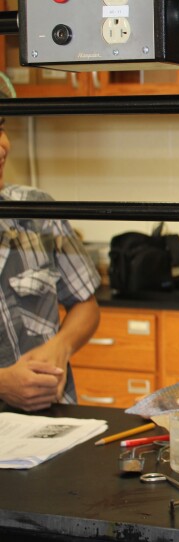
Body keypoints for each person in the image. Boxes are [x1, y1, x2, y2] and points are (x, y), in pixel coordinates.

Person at [0, 115, 102, 411]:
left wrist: (61, 345)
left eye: (1, 128)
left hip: (54, 422)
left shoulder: (37, 211)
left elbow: (86, 305)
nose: (2, 147)